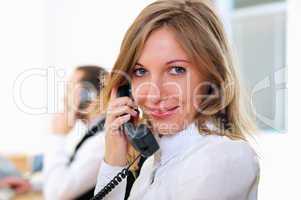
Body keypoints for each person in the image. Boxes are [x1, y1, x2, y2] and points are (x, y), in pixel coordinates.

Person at [94, 0, 260, 200]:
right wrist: (114, 157)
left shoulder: (223, 158)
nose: (154, 95)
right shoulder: (155, 160)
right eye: (140, 71)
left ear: (212, 75)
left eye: (177, 70)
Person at [43, 65, 108, 200]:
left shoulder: (102, 140)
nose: (64, 98)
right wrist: (33, 185)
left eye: (70, 90)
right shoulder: (95, 132)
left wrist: (57, 136)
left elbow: (55, 195)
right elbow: (74, 177)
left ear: (90, 95)